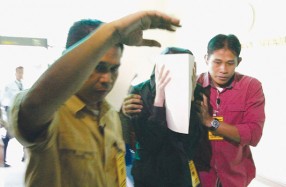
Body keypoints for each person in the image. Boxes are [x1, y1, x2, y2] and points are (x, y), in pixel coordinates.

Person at [8, 11, 181, 187]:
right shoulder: (50, 113)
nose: (106, 79)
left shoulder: (109, 116)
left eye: (113, 69)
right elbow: (34, 105)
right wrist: (113, 31)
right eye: (97, 66)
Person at [121, 47, 211, 187]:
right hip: (149, 173)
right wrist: (159, 100)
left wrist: (190, 98)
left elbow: (191, 145)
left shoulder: (197, 91)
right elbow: (149, 142)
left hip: (179, 172)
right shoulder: (139, 92)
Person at [197, 34, 266, 187]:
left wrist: (210, 122)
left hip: (235, 174)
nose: (223, 69)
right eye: (217, 62)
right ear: (206, 59)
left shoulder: (251, 86)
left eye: (230, 63)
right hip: (201, 175)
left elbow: (253, 134)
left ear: (238, 62)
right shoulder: (194, 84)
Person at [1, 66, 24, 167]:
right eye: (19, 72)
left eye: (22, 72)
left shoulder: (23, 85)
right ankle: (3, 159)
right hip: (11, 112)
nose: (21, 74)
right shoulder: (10, 85)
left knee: (24, 133)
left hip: (20, 113)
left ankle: (25, 156)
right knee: (8, 136)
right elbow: (3, 99)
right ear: (16, 73)